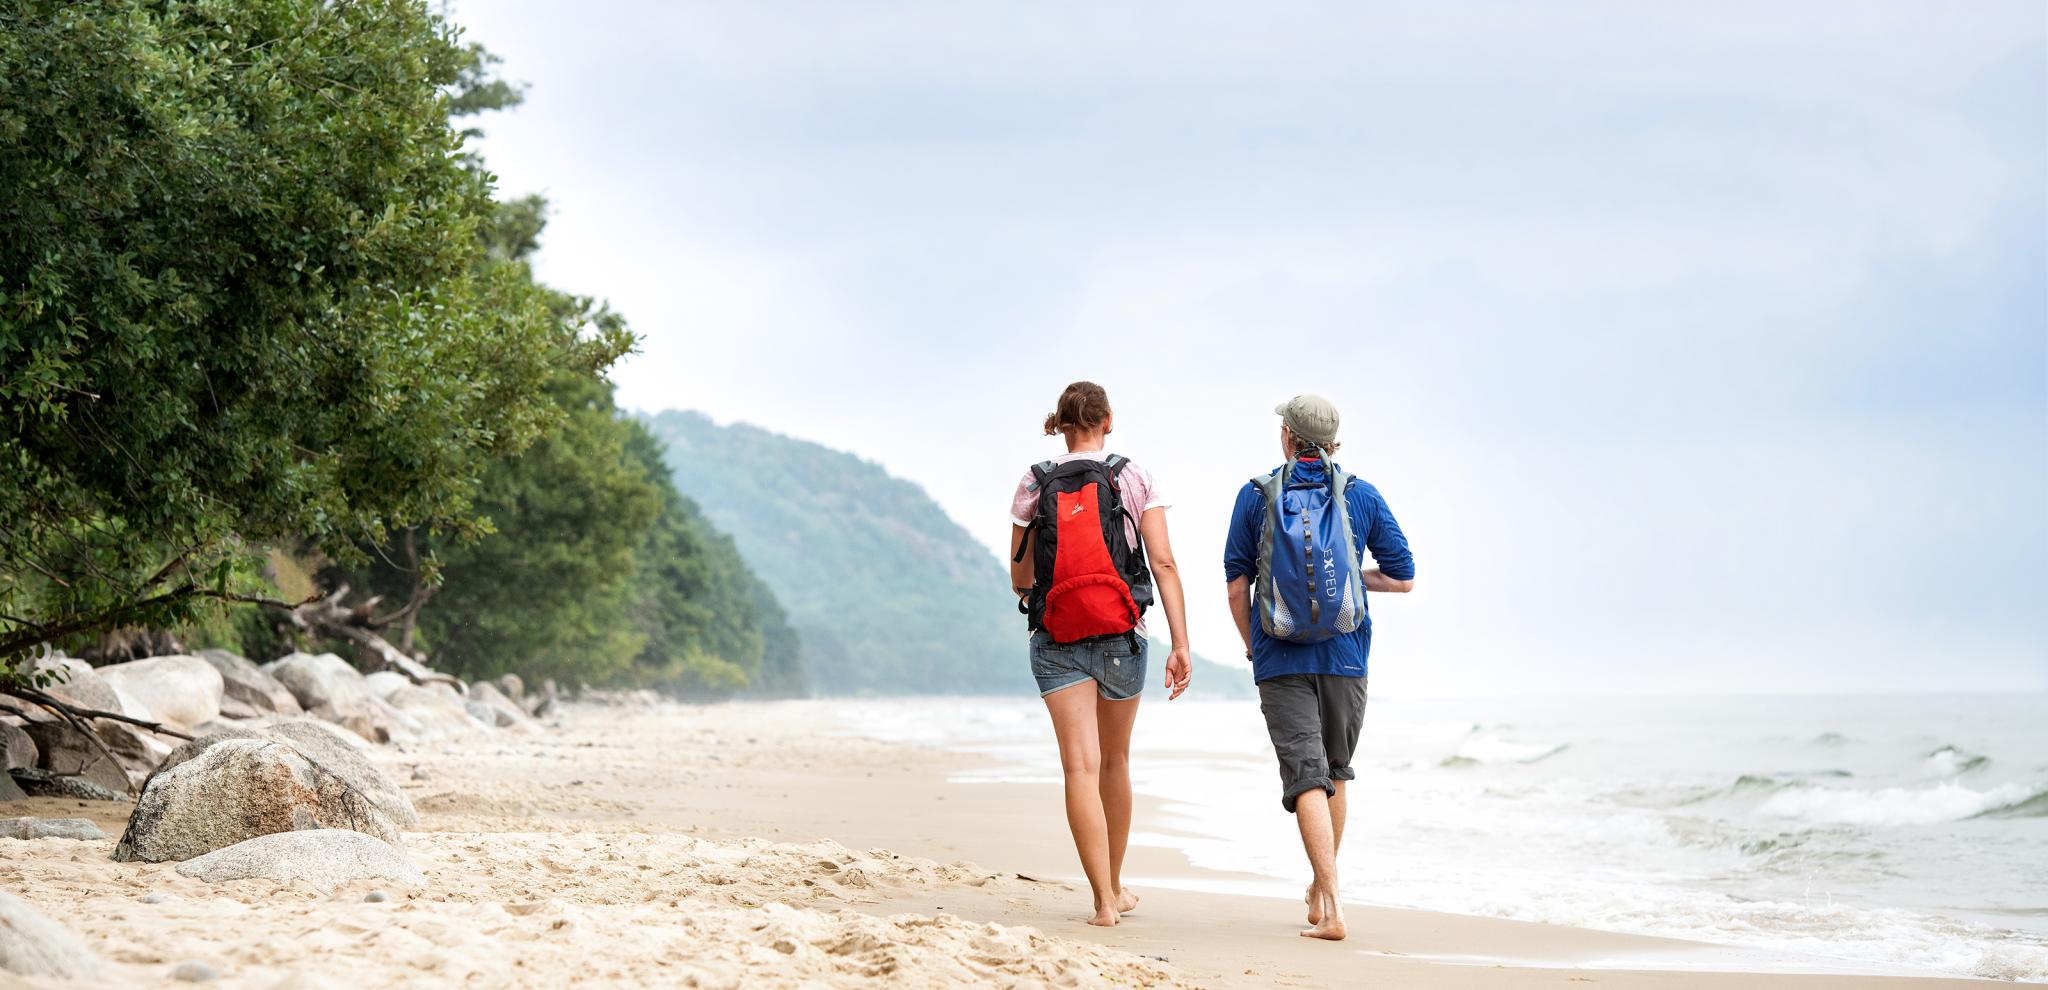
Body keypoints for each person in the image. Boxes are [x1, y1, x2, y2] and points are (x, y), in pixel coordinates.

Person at [1223, 394, 1414, 941]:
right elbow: (1402, 577)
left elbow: (1237, 585)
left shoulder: (1256, 495)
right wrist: (1353, 573)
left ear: (1287, 437)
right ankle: (1323, 892)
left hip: (1279, 657)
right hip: (1346, 657)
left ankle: (1330, 902)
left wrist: (1252, 645)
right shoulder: (1361, 494)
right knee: (1334, 771)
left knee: (1304, 777)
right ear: (1334, 443)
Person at [1009, 380, 1193, 927]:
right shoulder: (1132, 477)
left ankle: (1103, 903)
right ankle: (1116, 883)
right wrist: (1180, 644)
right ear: (1107, 420)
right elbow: (1162, 564)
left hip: (1057, 642)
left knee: (1079, 768)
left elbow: (1021, 577)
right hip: (1120, 638)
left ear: (1060, 424)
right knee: (1114, 762)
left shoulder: (1034, 481)